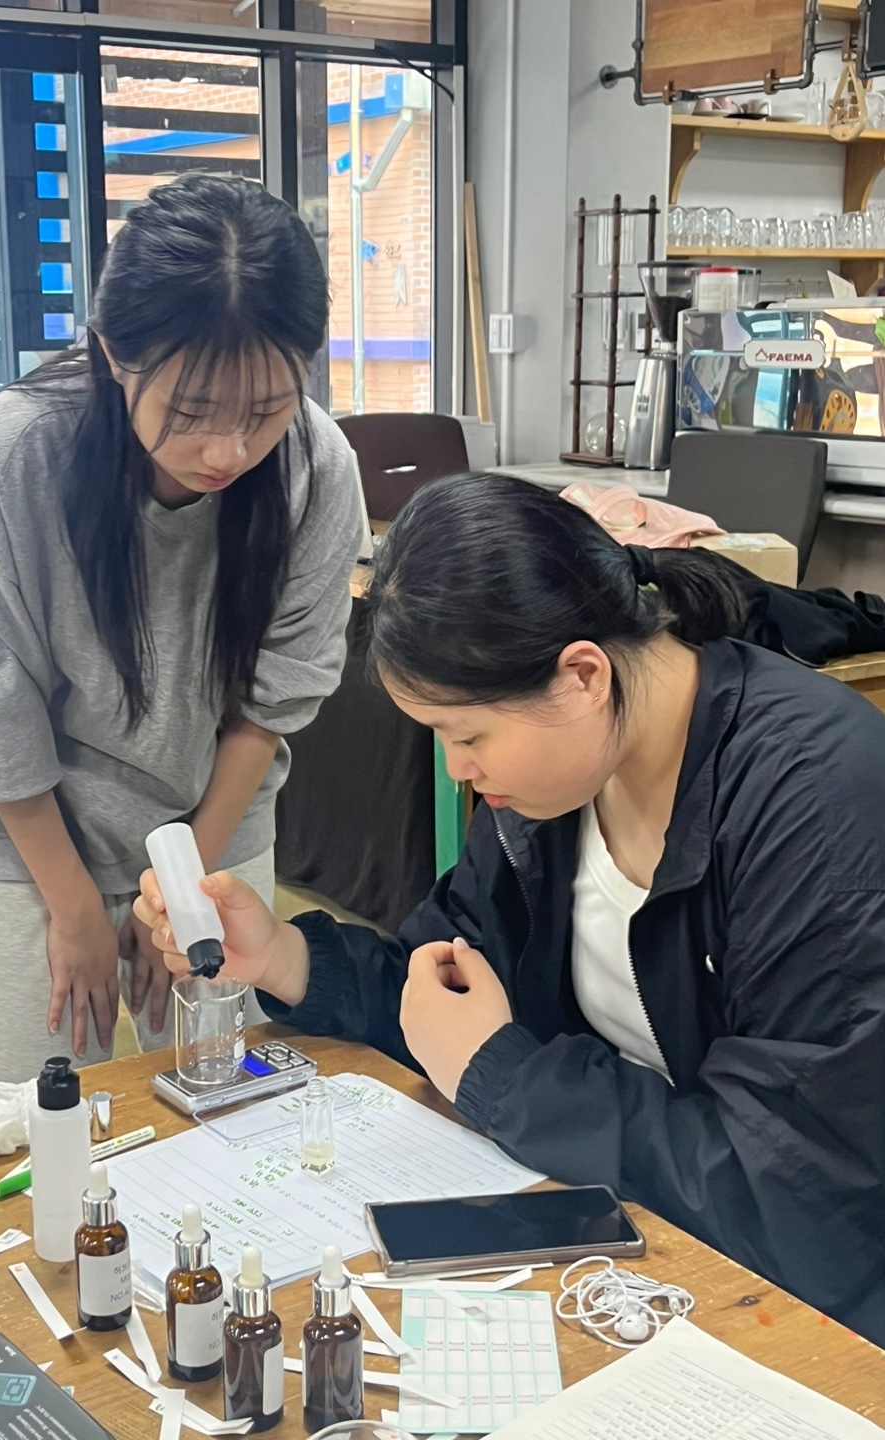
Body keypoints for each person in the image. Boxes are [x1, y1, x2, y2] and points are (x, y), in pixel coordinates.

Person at [136, 474, 885, 1346]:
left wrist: (503, 1076)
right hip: (642, 1245)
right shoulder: (553, 787)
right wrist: (282, 958)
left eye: (468, 736)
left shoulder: (818, 807)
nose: (458, 770)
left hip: (802, 1308)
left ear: (582, 675)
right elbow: (448, 986)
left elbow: (794, 1188)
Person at [0, 176, 365, 1087]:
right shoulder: (5, 463)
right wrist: (75, 907)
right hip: (23, 836)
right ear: (111, 354)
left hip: (213, 816)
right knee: (34, 1112)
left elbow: (270, 702)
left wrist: (186, 878)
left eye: (265, 411)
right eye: (192, 412)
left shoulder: (316, 468)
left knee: (225, 1100)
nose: (228, 452)